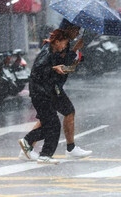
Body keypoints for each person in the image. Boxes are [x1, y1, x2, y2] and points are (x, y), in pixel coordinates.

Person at [19, 19, 92, 161]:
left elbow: (65, 63)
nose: (77, 33)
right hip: (47, 88)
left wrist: (75, 51)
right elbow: (42, 66)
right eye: (76, 30)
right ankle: (33, 147)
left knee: (54, 118)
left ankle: (33, 148)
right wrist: (56, 67)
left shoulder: (65, 44)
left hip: (52, 86)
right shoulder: (53, 46)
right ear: (68, 30)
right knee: (52, 122)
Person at [18, 29, 71, 164]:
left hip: (43, 92)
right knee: (53, 125)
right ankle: (44, 153)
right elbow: (37, 71)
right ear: (57, 41)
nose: (64, 46)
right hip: (40, 93)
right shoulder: (47, 52)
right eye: (63, 43)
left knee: (51, 124)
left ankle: (32, 144)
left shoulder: (52, 52)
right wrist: (54, 69)